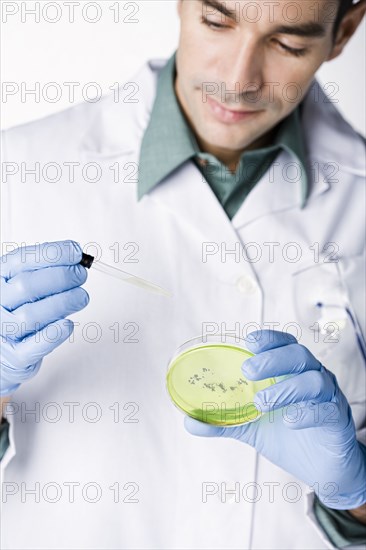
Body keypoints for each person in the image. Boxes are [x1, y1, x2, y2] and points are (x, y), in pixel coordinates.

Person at [1, 0, 365, 548]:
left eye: (288, 45)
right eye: (217, 22)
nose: (239, 80)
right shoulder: (19, 172)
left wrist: (356, 494)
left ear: (345, 32)